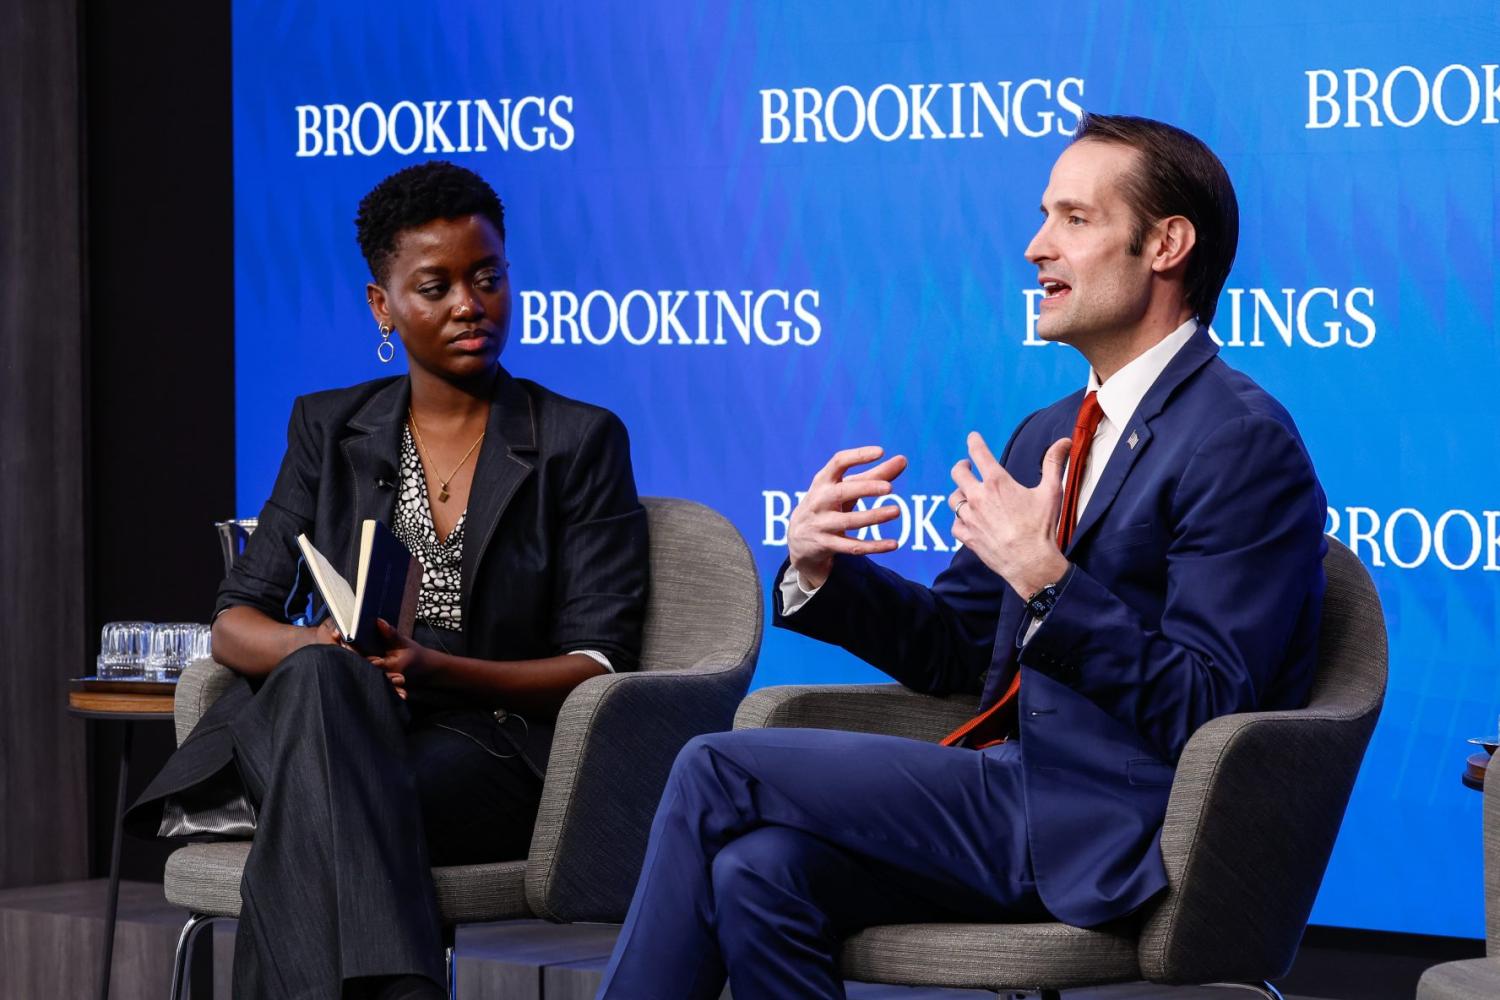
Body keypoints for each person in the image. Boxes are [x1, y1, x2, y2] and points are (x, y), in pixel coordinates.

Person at [595, 113, 1327, 999]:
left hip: (1112, 824)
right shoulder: (1049, 432)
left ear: (1167, 244)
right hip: (1005, 790)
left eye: (1073, 219)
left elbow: (1214, 707)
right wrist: (824, 576)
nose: (1034, 246)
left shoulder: (1239, 442)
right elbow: (956, 649)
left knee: (717, 765)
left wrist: (1050, 584)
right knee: (758, 870)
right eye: (1043, 216)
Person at [127, 161, 649, 1000]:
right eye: (434, 287)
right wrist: (320, 646)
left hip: (487, 742)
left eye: (487, 278)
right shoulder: (328, 427)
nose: (468, 305)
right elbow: (235, 620)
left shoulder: (577, 441)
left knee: (317, 797)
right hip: (335, 716)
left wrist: (437, 669)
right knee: (323, 682)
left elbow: (598, 661)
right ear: (383, 306)